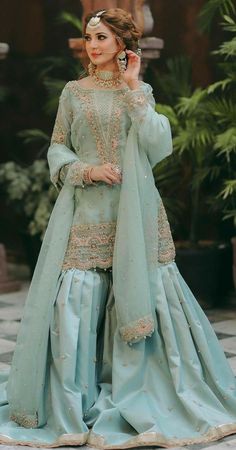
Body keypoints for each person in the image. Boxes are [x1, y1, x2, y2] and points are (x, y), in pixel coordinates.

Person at [0, 7, 236, 449]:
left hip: (135, 212)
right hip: (84, 211)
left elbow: (158, 144)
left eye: (102, 38)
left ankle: (150, 392)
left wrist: (133, 90)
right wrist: (86, 171)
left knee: (147, 290)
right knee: (75, 298)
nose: (93, 46)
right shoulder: (73, 92)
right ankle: (73, 401)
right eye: (90, 38)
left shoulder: (139, 91)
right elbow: (57, 149)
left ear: (122, 45)